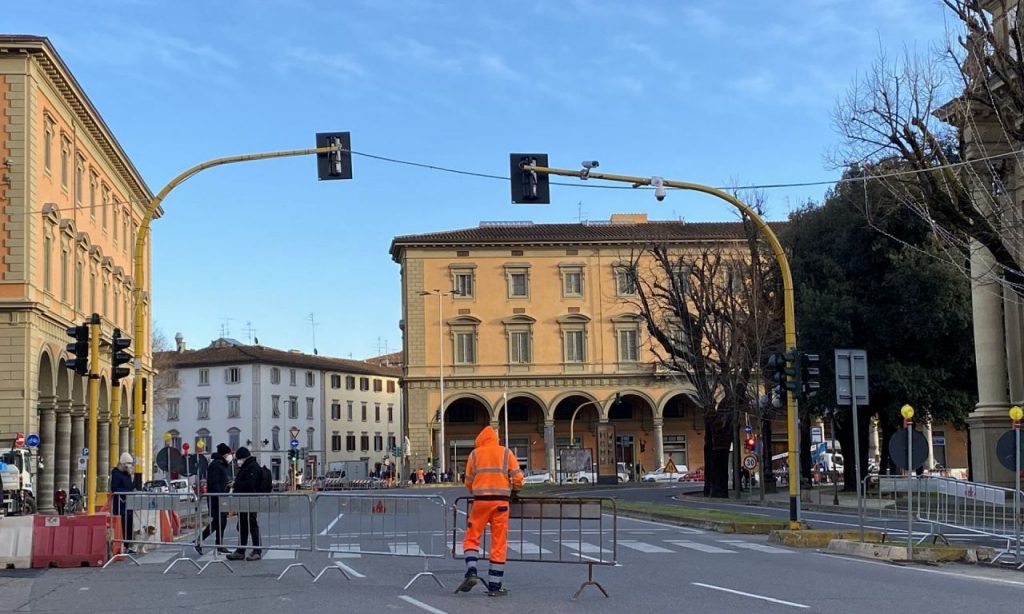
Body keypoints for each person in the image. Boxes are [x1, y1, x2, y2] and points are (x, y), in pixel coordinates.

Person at [455, 426, 524, 597]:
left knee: (472, 537)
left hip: (480, 503)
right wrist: (514, 488)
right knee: (498, 543)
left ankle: (471, 570)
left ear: (480, 440)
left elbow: (468, 481)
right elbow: (518, 479)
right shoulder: (506, 453)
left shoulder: (475, 455)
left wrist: (475, 489)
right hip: (501, 503)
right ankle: (495, 585)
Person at [195, 443, 233, 555]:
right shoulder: (216, 465)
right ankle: (199, 542)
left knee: (221, 521)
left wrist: (227, 485)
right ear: (224, 454)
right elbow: (215, 483)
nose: (230, 456)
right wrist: (222, 492)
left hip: (220, 497)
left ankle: (218, 544)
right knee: (218, 522)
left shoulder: (220, 464)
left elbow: (220, 481)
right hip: (217, 498)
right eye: (229, 453)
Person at [227, 447, 262, 561]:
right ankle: (240, 551)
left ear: (244, 458)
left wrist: (235, 485)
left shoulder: (252, 467)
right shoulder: (247, 466)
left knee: (252, 525)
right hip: (243, 501)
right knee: (242, 526)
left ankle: (257, 550)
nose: (238, 461)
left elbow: (250, 484)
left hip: (249, 500)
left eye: (239, 459)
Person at [110, 452, 136, 554]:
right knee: (123, 525)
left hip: (128, 505)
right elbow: (114, 488)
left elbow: (130, 486)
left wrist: (132, 477)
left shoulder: (127, 475)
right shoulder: (116, 473)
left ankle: (128, 544)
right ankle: (123, 544)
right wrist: (126, 492)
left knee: (129, 524)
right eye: (128, 463)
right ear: (123, 463)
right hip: (120, 505)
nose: (129, 465)